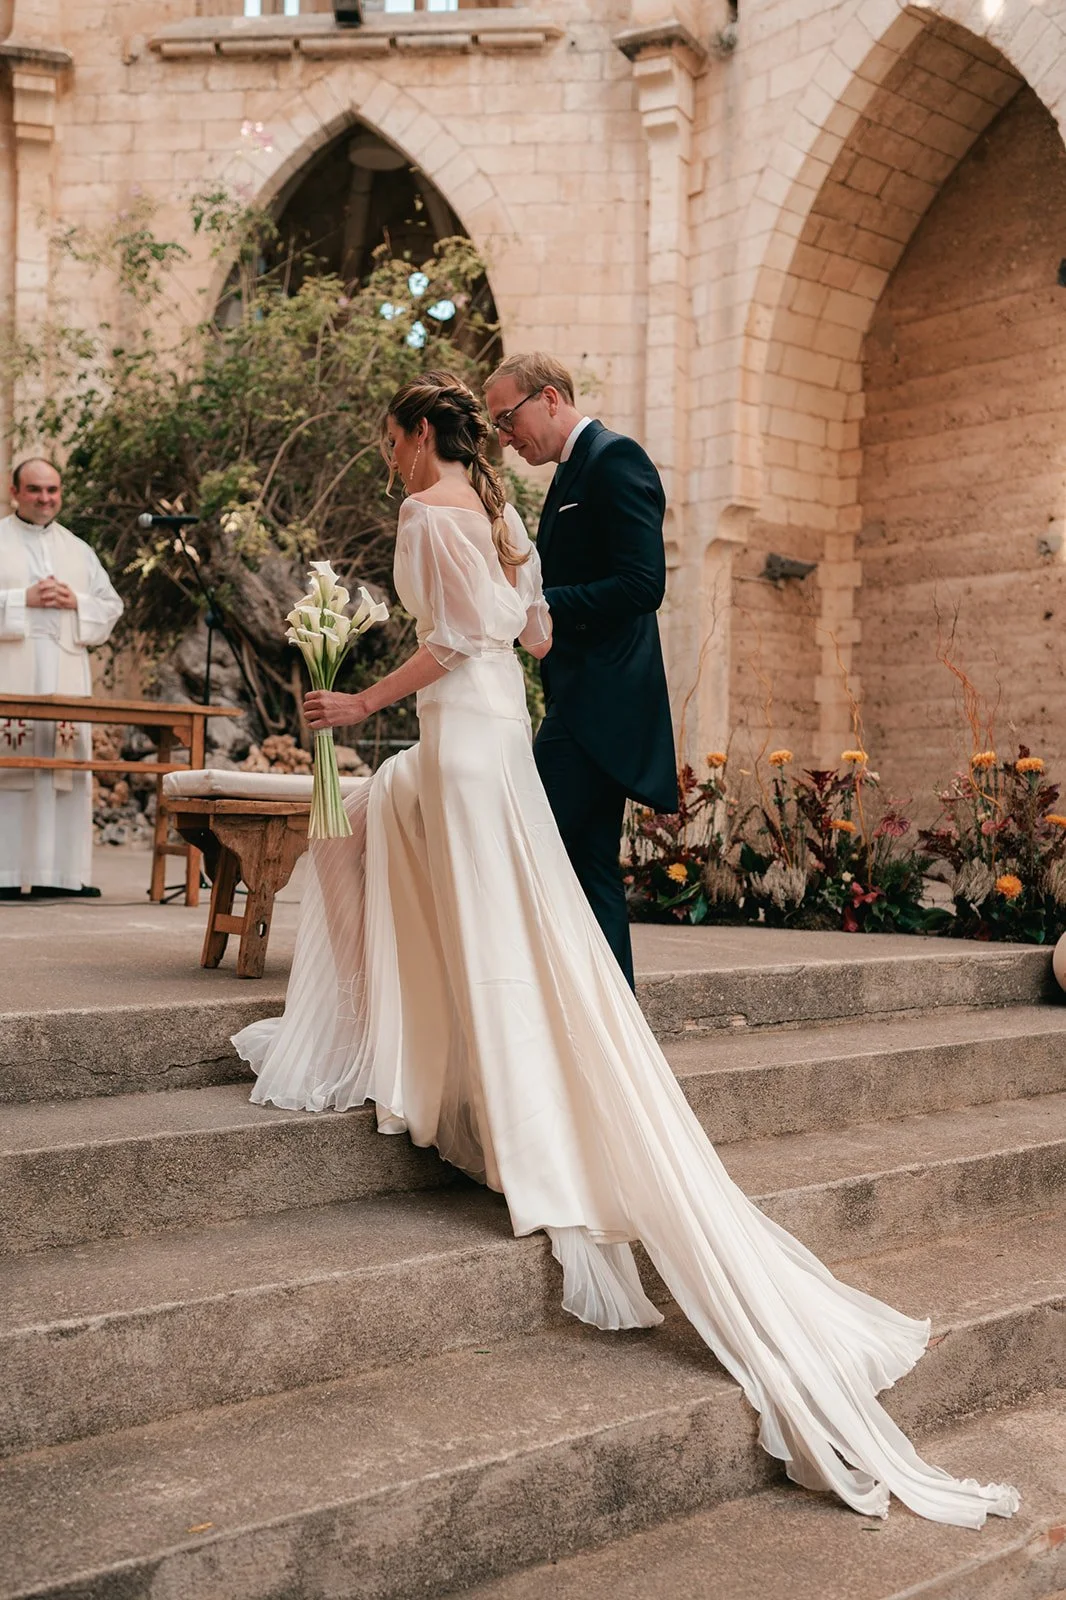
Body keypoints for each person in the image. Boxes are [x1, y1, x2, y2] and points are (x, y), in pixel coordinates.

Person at [233, 372, 1018, 1529]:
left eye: (390, 438)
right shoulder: (499, 507)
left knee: (409, 855)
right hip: (500, 730)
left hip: (467, 730)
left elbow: (458, 638)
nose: (393, 455)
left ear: (412, 435)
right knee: (490, 907)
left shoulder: (430, 510)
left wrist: (356, 707)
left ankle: (427, 1065)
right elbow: (516, 620)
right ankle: (438, 1062)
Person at [483, 354, 677, 989]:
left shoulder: (615, 459)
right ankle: (613, 1024)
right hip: (580, 699)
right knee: (590, 865)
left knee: (528, 845)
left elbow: (644, 583)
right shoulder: (570, 473)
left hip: (604, 707)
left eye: (508, 420)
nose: (506, 438)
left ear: (548, 398)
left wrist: (540, 607)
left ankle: (536, 1007)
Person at [0, 458, 123, 898]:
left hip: (65, 676)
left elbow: (111, 607)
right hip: (12, 677)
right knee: (11, 775)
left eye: (52, 490)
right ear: (15, 492)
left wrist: (77, 602)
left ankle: (63, 875)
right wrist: (21, 599)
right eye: (35, 489)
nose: (45, 498)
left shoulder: (78, 549)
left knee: (62, 774)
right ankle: (6, 874)